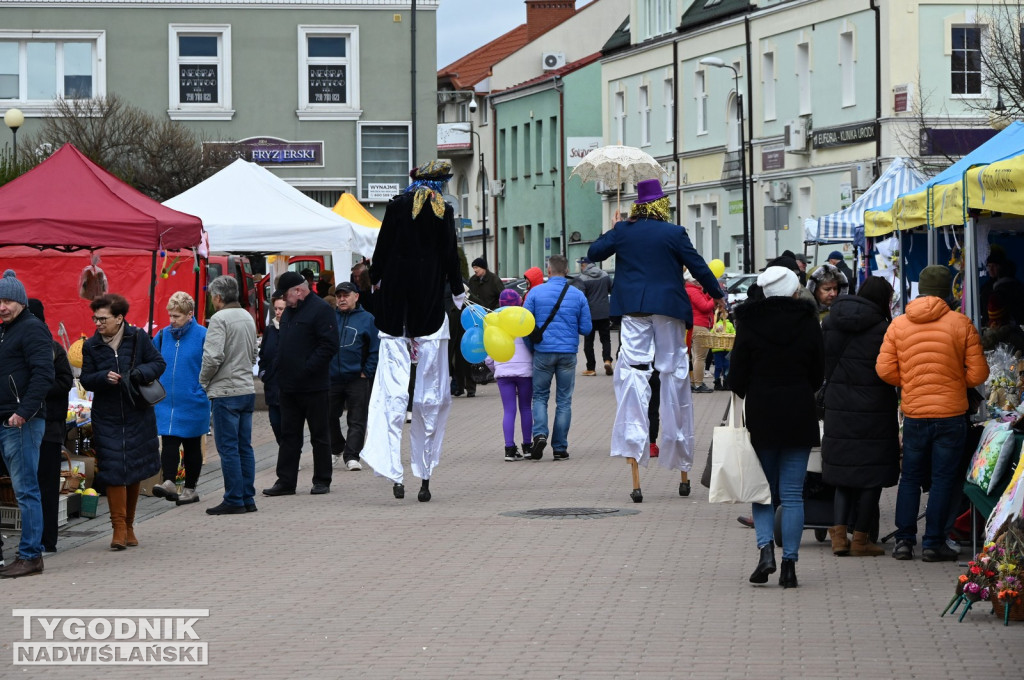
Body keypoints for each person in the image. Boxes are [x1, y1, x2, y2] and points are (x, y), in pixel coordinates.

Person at [588, 179, 724, 501]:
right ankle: (681, 462)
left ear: (638, 205)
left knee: (635, 376)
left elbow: (594, 253)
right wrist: (717, 295)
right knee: (675, 373)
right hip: (669, 310)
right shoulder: (673, 232)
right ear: (661, 204)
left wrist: (615, 229)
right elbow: (698, 267)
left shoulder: (625, 230)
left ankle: (636, 452)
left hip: (634, 311)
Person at [363, 159, 465, 502]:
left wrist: (376, 279)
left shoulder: (395, 206)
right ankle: (424, 473)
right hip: (429, 313)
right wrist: (457, 288)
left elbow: (382, 249)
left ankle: (394, 471)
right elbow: (451, 255)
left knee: (392, 396)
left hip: (395, 314)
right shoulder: (442, 210)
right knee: (429, 396)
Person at [876, 265, 989, 562]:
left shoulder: (899, 325)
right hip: (951, 414)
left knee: (910, 477)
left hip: (914, 413)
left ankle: (903, 541)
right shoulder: (961, 323)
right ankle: (934, 542)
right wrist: (951, 382)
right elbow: (978, 373)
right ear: (946, 293)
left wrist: (913, 382)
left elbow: (884, 370)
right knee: (943, 479)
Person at [729, 266, 823, 588]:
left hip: (763, 413)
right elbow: (818, 374)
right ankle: (790, 566)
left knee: (763, 490)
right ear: (795, 290)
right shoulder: (809, 322)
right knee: (793, 495)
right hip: (798, 411)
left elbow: (737, 377)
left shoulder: (749, 323)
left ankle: (766, 550)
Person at [820, 277, 899, 557]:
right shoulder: (883, 329)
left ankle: (839, 536)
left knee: (843, 474)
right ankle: (861, 540)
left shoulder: (830, 322)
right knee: (870, 475)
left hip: (838, 407)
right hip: (874, 410)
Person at [80, 293, 166, 550]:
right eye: (95, 318)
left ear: (119, 318)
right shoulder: (91, 345)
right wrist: (102, 378)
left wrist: (139, 373)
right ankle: (118, 527)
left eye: (103, 318)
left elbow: (158, 363)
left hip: (136, 411)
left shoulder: (138, 337)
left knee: (135, 467)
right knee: (114, 469)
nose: (98, 323)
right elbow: (85, 379)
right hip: (107, 416)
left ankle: (129, 525)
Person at [262, 271, 338, 497]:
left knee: (319, 435)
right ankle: (285, 481)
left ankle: (322, 479)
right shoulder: (289, 312)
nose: (284, 300)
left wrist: (306, 369)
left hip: (313, 386)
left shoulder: (321, 310)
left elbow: (329, 346)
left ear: (298, 290)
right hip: (287, 386)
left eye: (285, 295)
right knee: (289, 436)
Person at [0, 273, 55, 578]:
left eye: (7, 301)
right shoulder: (6, 331)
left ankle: (31, 555)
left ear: (20, 301)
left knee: (26, 490)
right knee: (22, 489)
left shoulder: (32, 329)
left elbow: (44, 375)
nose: (2, 307)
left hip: (22, 423)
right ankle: (26, 554)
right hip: (7, 419)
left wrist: (23, 412)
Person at [199, 276, 258, 515]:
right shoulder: (246, 316)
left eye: (213, 296)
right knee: (245, 446)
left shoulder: (219, 319)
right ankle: (247, 496)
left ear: (218, 297)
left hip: (225, 391)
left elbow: (212, 356)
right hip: (246, 388)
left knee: (228, 448)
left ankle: (234, 497)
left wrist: (203, 380)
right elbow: (254, 353)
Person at [523, 254, 591, 461]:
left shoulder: (535, 293)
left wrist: (531, 347)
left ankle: (540, 434)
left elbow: (524, 325)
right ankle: (560, 448)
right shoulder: (578, 295)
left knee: (540, 397)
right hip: (568, 353)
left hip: (542, 352)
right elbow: (586, 328)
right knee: (564, 400)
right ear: (567, 270)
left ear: (548, 271)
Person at [151, 292, 210, 506]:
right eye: (170, 316)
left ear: (189, 314)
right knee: (168, 441)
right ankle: (168, 481)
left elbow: (211, 364)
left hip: (193, 399)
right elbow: (152, 359)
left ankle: (190, 488)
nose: (172, 321)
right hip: (167, 401)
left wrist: (201, 389)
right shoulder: (163, 335)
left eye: (177, 316)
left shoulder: (203, 334)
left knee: (192, 445)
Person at [26, 300, 73, 555]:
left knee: (46, 484)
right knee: (27, 485)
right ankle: (32, 539)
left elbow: (65, 381)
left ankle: (47, 540)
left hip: (50, 428)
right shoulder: (16, 344)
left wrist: (38, 390)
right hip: (21, 425)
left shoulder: (54, 348)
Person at [329, 281, 379, 471]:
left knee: (357, 418)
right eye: (339, 296)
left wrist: (367, 371)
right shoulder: (329, 318)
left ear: (356, 297)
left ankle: (352, 455)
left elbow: (376, 348)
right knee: (327, 415)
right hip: (332, 377)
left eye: (346, 295)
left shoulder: (367, 319)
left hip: (357, 377)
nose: (342, 299)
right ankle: (337, 446)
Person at [485, 289, 534, 461]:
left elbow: (489, 354)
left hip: (503, 371)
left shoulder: (494, 323)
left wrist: (496, 368)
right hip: (525, 372)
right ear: (519, 302)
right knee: (526, 408)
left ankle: (509, 449)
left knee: (509, 410)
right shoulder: (524, 320)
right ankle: (528, 446)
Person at [572, 257, 613, 377]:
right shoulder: (605, 275)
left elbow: (581, 297)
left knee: (589, 342)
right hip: (605, 313)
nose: (581, 267)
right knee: (606, 339)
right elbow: (611, 289)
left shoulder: (582, 278)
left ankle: (591, 368)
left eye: (582, 265)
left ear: (586, 265)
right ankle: (607, 361)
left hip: (590, 315)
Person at [257, 295, 286, 444]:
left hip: (289, 388)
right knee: (275, 423)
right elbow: (263, 355)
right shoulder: (270, 330)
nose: (278, 312)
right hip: (272, 386)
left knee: (289, 426)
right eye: (276, 309)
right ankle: (286, 452)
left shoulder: (294, 329)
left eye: (281, 309)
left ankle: (291, 457)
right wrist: (263, 373)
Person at [686, 270, 716, 393]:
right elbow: (705, 307)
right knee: (700, 357)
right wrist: (715, 298)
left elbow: (703, 302)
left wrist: (710, 294)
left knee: (696, 356)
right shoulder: (693, 291)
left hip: (696, 325)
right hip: (700, 325)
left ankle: (695, 382)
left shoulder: (693, 290)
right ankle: (698, 384)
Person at [711, 313, 734, 391]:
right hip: (718, 349)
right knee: (719, 366)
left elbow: (734, 334)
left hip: (726, 349)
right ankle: (717, 383)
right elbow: (711, 334)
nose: (724, 314)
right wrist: (716, 331)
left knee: (726, 366)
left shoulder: (730, 325)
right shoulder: (716, 324)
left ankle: (726, 382)